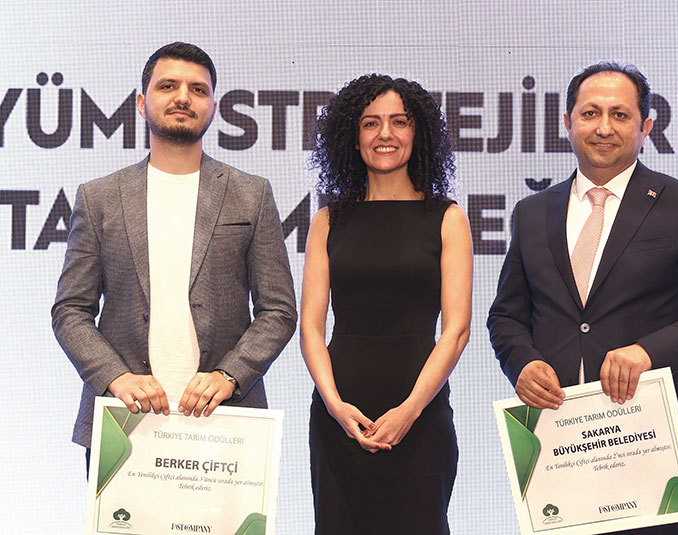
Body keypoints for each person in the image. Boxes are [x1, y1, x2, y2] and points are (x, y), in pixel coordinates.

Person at [487, 62, 678, 535]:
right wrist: (522, 362)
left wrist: (646, 352)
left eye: (620, 115)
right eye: (590, 113)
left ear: (645, 127)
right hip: (559, 450)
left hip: (650, 450)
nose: (604, 127)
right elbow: (506, 315)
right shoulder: (532, 212)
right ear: (567, 123)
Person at [52, 42, 297, 460]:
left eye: (197, 89)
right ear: (141, 103)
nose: (183, 97)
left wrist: (230, 375)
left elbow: (279, 310)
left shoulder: (251, 194)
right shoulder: (99, 198)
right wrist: (115, 377)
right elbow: (70, 310)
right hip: (125, 422)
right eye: (168, 86)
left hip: (227, 422)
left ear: (213, 108)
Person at [301, 74, 472, 534]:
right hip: (340, 419)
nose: (385, 134)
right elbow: (311, 328)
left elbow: (456, 331)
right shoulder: (327, 220)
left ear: (418, 133)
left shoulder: (447, 218)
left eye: (400, 121)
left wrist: (410, 410)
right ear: (352, 136)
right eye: (371, 123)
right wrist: (334, 405)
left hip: (421, 416)